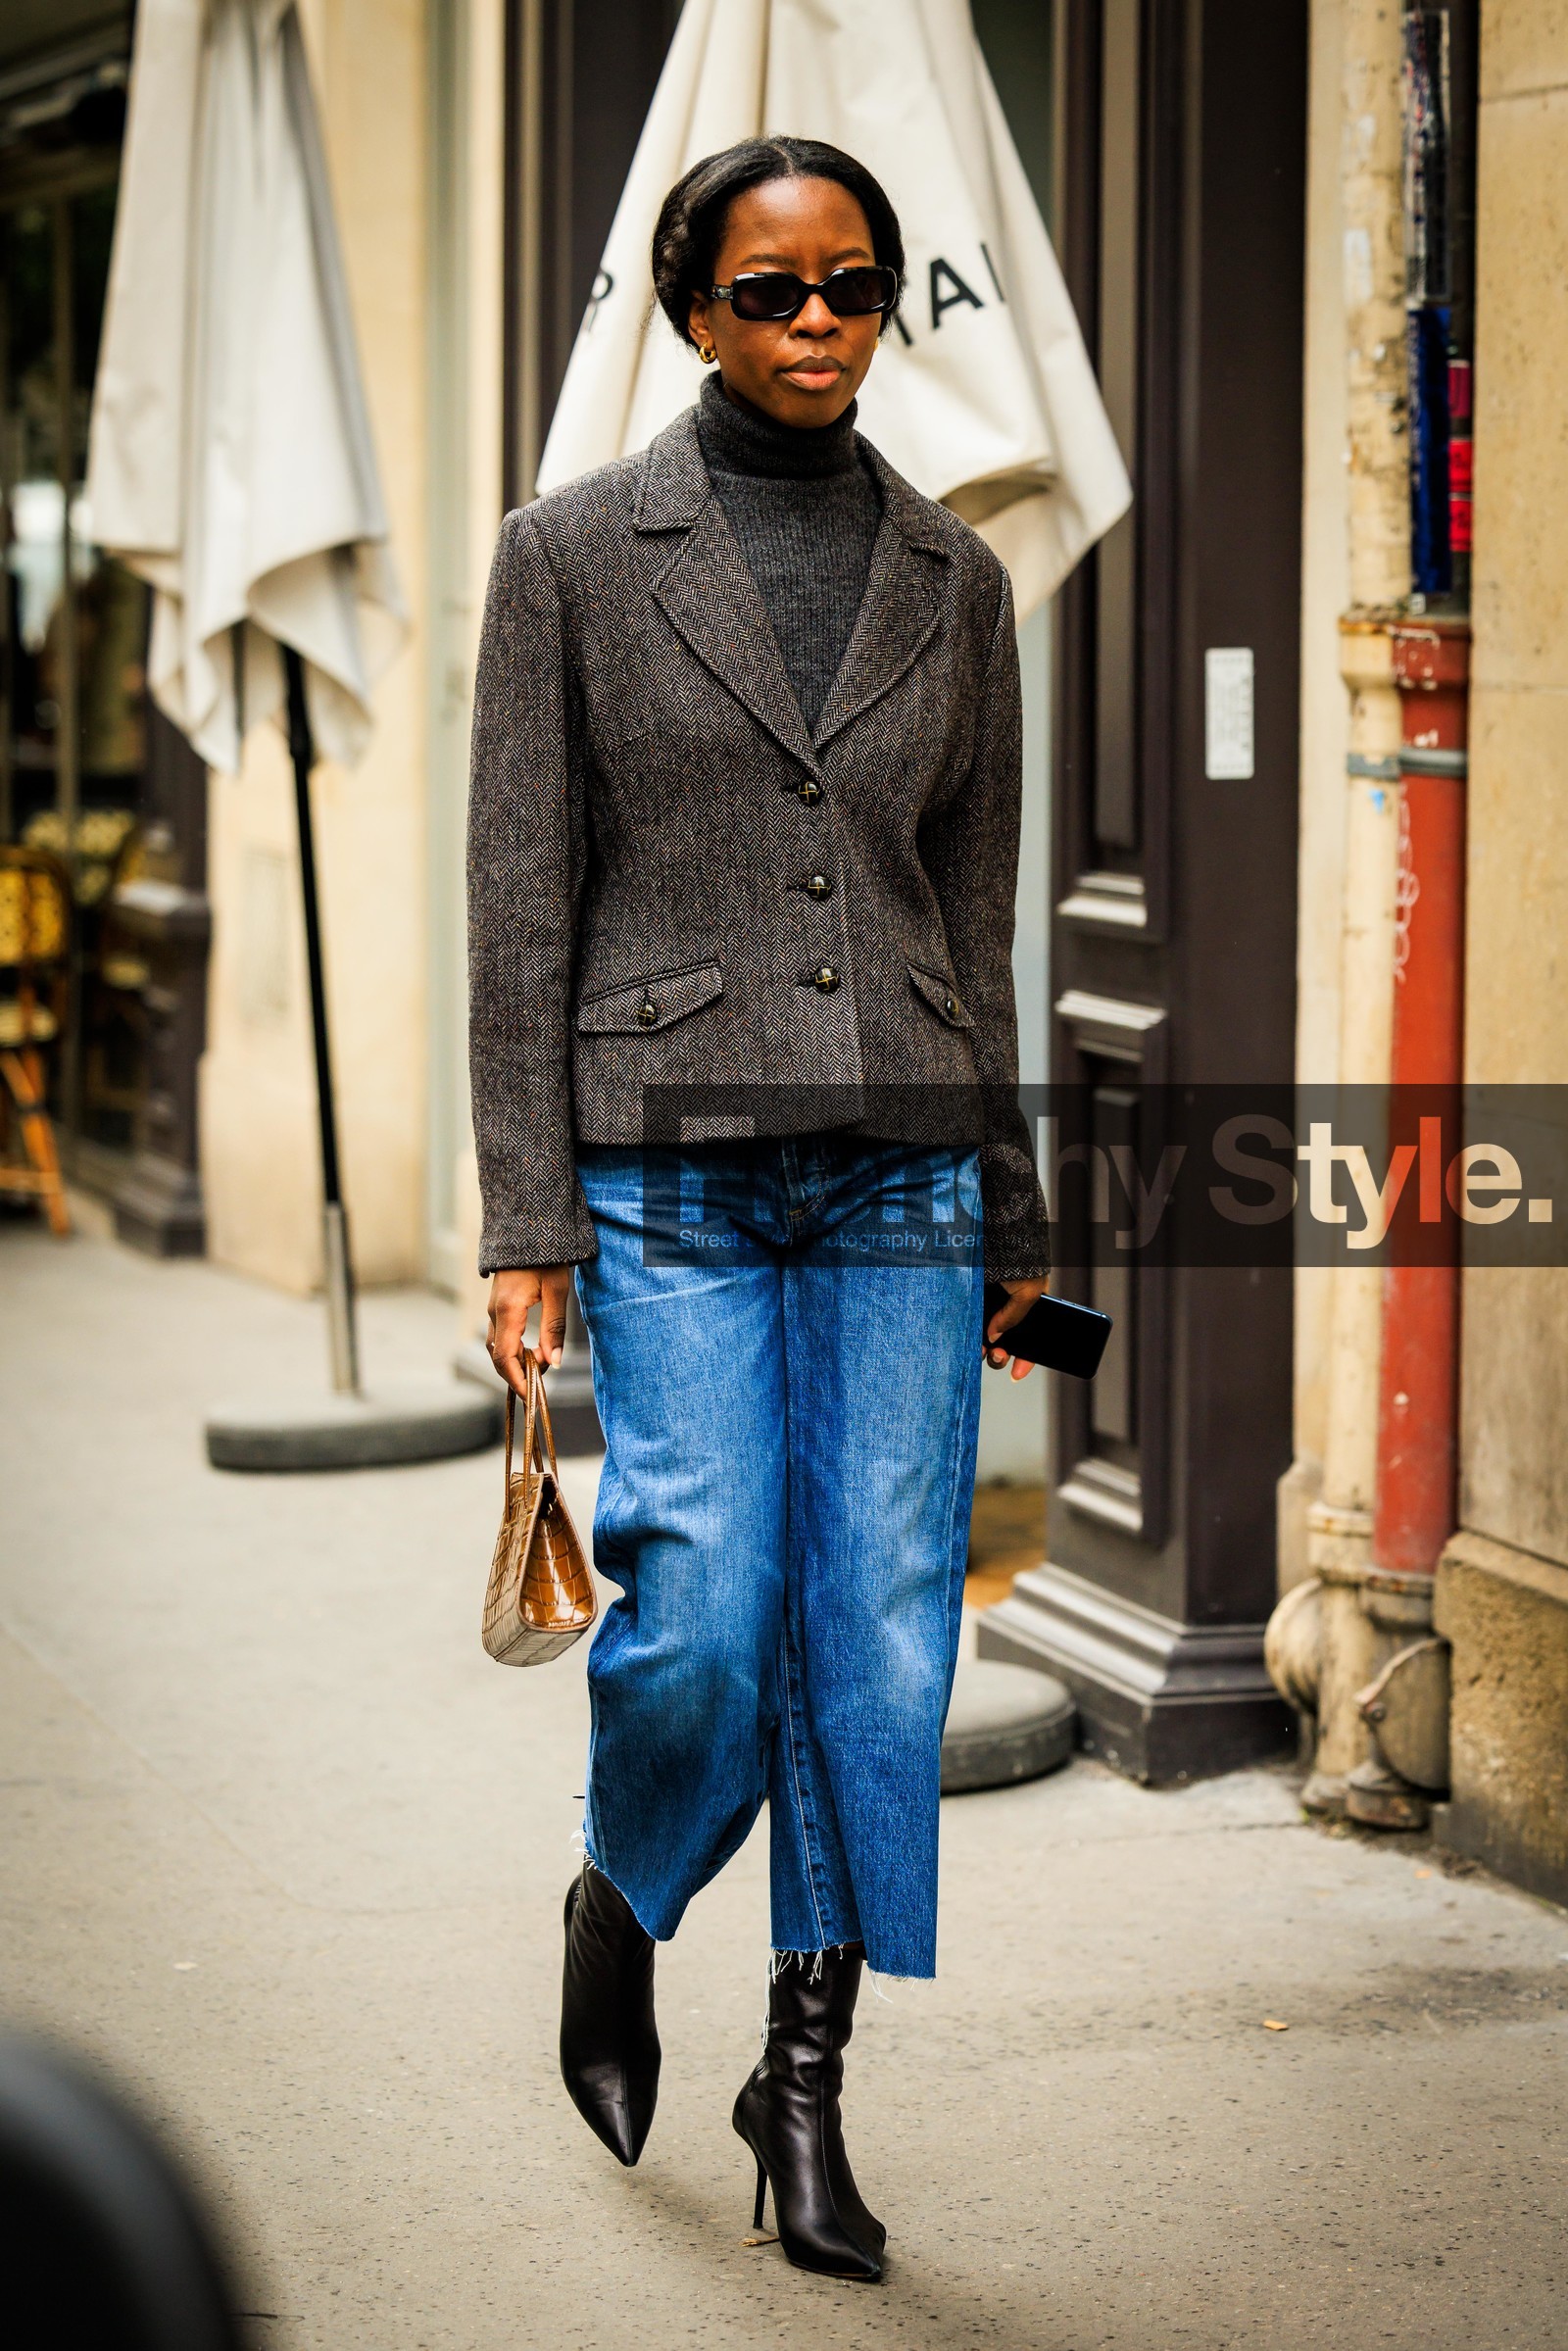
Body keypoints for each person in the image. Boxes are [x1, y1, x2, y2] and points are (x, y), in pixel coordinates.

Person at [467, 135, 1051, 2283]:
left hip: (901, 1157)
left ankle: (796, 2082)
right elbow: (515, 908)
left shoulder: (952, 579)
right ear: (695, 309)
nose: (817, 323)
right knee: (704, 1602)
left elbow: (967, 923)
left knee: (883, 1621)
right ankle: (621, 1895)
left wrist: (1015, 1211)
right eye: (774, 290)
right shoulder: (571, 556)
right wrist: (523, 1214)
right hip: (662, 1156)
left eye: (852, 288)